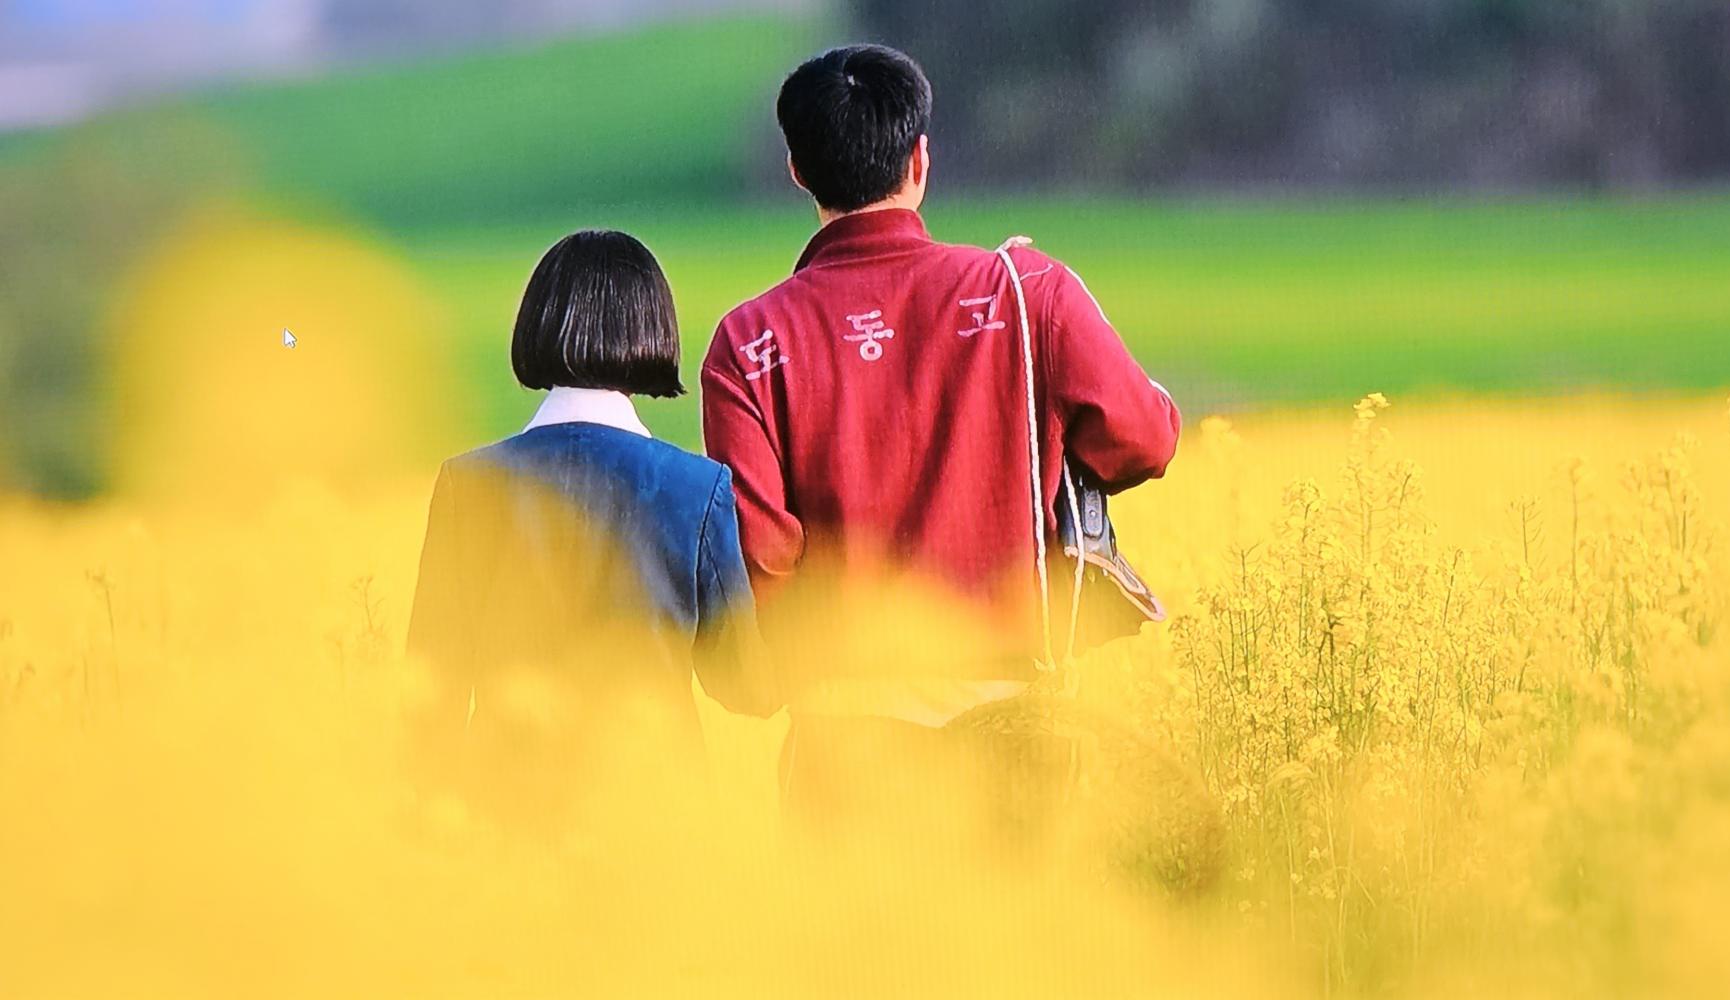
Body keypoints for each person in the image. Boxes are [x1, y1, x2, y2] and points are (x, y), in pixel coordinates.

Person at [699, 45, 1179, 818]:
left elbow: (759, 553)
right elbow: (1144, 441)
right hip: (1014, 725)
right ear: (920, 159)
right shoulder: (1028, 292)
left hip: (840, 737)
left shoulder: (749, 342)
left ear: (797, 171)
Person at [408, 230, 776, 821]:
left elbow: (430, 694)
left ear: (537, 325)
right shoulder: (696, 489)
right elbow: (744, 688)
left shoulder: (468, 485)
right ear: (652, 331)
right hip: (655, 815)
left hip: (503, 813)